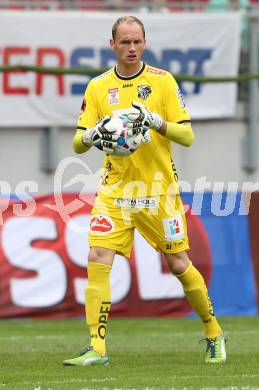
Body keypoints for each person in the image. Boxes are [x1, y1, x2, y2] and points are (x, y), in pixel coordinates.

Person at [63, 15, 226, 367]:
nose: (132, 48)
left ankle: (214, 332)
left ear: (145, 42)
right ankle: (97, 347)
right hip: (115, 190)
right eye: (125, 42)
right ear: (113, 45)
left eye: (137, 41)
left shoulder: (162, 82)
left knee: (179, 263)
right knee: (98, 257)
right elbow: (77, 143)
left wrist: (155, 121)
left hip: (159, 191)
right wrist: (92, 135)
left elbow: (187, 136)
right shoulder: (97, 87)